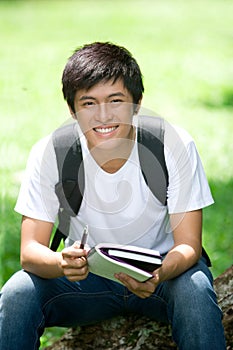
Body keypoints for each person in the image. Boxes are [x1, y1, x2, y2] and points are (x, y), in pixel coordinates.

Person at [0, 42, 226, 350]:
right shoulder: (52, 151)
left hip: (163, 274)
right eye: (88, 103)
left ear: (137, 103)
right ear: (72, 110)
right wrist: (62, 264)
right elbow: (30, 251)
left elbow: (188, 245)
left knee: (196, 288)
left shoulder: (172, 144)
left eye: (115, 100)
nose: (103, 116)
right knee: (18, 293)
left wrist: (160, 274)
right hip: (85, 281)